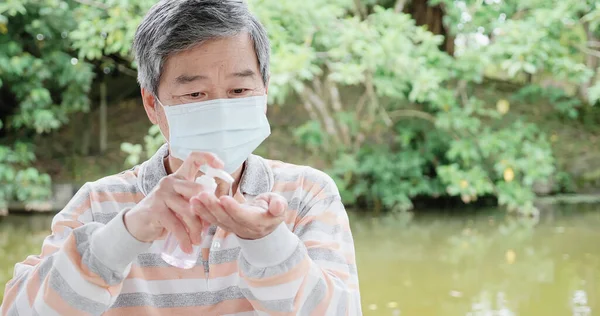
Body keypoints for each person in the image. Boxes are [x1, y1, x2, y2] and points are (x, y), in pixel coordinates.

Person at [0, 0, 362, 315]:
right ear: (152, 105)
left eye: (239, 90)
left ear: (263, 94)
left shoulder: (305, 196)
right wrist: (127, 233)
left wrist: (267, 241)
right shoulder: (99, 204)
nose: (220, 110)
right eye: (194, 93)